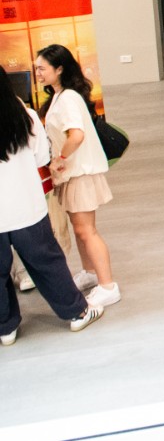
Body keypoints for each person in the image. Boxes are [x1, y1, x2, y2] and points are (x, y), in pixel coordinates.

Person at [1, 73, 104, 344]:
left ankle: (5, 328)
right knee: (47, 264)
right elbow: (42, 157)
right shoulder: (26, 118)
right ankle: (77, 313)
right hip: (27, 208)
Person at [34, 44, 120, 308]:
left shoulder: (68, 97)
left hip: (79, 173)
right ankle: (91, 273)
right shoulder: (61, 96)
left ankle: (108, 285)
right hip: (73, 174)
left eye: (42, 68)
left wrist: (60, 159)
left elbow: (77, 135)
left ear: (59, 69)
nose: (37, 73)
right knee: (81, 229)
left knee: (86, 231)